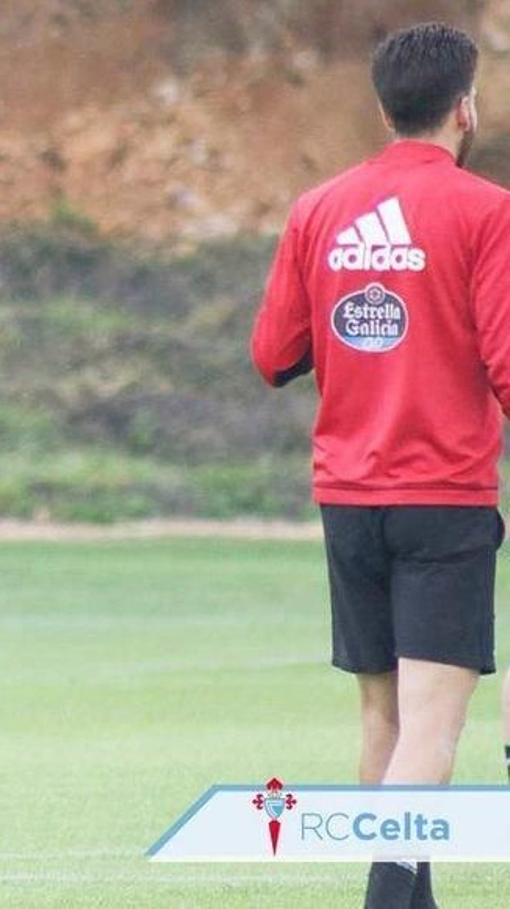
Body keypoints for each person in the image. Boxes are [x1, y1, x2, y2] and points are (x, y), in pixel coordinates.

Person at [250, 22, 510, 909]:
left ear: (382, 108)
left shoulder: (319, 208)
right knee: (434, 724)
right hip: (444, 496)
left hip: (348, 497)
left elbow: (273, 353)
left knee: (385, 717)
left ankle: (413, 898)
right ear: (465, 107)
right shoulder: (485, 210)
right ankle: (386, 898)